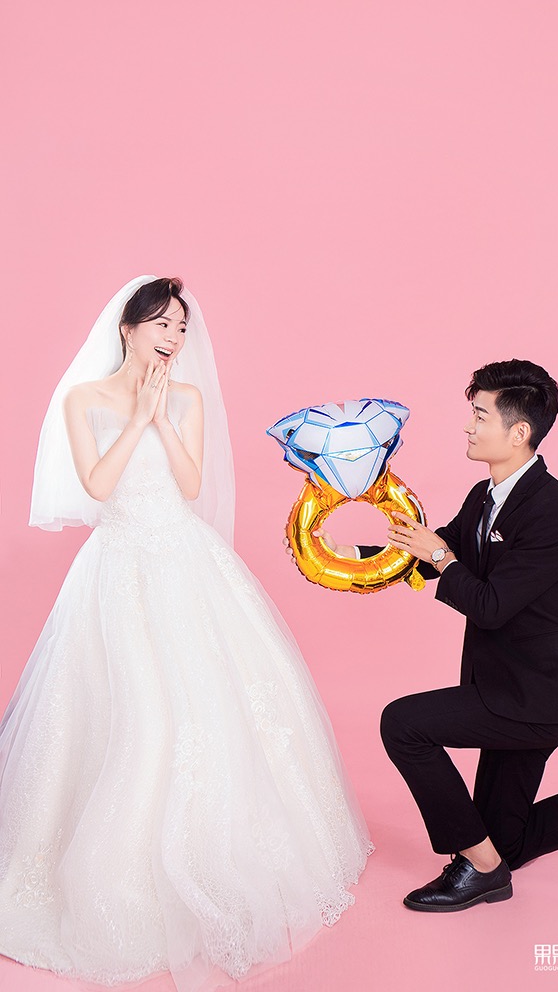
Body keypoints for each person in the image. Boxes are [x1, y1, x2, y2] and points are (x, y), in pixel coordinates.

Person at [0, 276, 372, 989]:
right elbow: (98, 487)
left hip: (184, 558)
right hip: (117, 565)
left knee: (210, 706)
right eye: (161, 324)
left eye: (180, 325)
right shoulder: (84, 399)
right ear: (127, 328)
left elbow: (192, 484)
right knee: (128, 709)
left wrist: (163, 418)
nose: (173, 336)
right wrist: (137, 416)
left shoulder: (189, 398)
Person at [292, 359, 558, 912]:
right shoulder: (484, 496)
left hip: (536, 697)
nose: (468, 426)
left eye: (480, 415)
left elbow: (488, 603)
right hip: (499, 687)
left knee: (402, 723)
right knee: (507, 842)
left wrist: (442, 556)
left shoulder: (553, 508)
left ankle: (478, 868)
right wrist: (348, 554)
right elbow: (434, 552)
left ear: (519, 432)